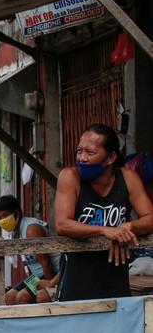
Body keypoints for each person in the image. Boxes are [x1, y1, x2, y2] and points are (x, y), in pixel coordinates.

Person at [56, 124, 153, 301]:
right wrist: (106, 230)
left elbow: (150, 218)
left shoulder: (128, 178)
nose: (82, 158)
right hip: (77, 281)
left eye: (90, 153)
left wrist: (127, 227)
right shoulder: (70, 177)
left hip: (116, 278)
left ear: (111, 157)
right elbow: (63, 224)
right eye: (79, 151)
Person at [0, 195, 61, 304]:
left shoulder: (31, 229)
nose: (2, 221)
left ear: (17, 213)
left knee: (22, 297)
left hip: (54, 274)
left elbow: (46, 263)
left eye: (5, 216)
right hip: (37, 276)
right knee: (9, 297)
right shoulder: (14, 232)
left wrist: (50, 286)